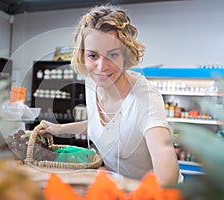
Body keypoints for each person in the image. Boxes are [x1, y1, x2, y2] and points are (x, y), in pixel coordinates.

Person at [39, 4, 180, 186]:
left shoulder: (145, 98)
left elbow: (164, 156)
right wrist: (59, 129)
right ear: (82, 55)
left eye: (112, 55)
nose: (101, 67)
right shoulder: (92, 84)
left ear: (125, 55)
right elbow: (102, 125)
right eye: (92, 56)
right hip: (116, 188)